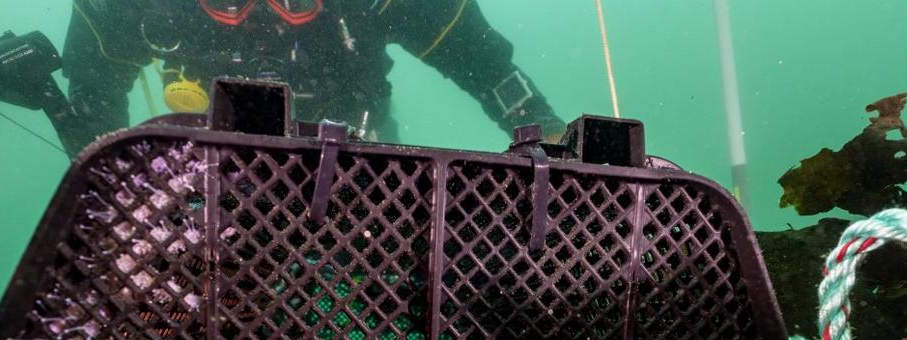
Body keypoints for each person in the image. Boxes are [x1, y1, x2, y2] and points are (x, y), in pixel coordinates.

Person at [61, 0, 565, 152]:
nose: (263, 17)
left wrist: (552, 142)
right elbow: (94, 103)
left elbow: (490, 72)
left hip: (361, 167)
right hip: (206, 183)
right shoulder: (134, 5)